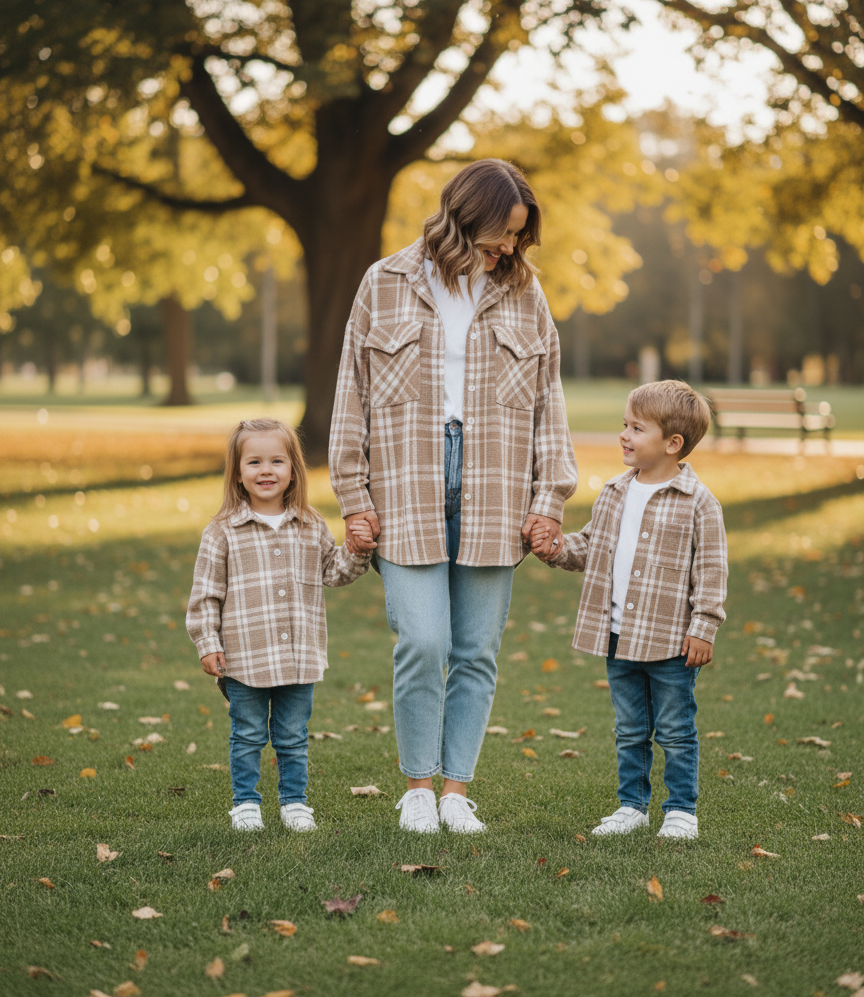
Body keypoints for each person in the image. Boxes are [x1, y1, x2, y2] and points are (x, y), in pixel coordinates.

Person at [330, 159, 578, 834]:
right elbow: (351, 392)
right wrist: (352, 493)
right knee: (422, 638)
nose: (511, 247)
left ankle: (455, 792)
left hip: (497, 484)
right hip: (406, 481)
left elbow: (548, 403)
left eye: (520, 236)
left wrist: (549, 497)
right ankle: (416, 788)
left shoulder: (526, 293)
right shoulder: (383, 283)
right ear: (466, 214)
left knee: (475, 649)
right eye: (505, 231)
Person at [531, 380, 727, 839]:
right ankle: (632, 806)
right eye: (625, 425)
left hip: (670, 641)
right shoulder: (615, 492)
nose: (624, 435)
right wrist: (557, 547)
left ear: (672, 443)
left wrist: (704, 627)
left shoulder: (699, 503)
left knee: (676, 729)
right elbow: (590, 547)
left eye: (637, 428)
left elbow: (712, 571)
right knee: (629, 729)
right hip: (618, 637)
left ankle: (680, 811)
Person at [186, 418, 374, 831]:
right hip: (244, 656)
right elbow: (205, 596)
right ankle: (246, 804)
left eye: (276, 461)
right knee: (248, 734)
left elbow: (334, 571)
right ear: (237, 472)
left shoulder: (311, 526)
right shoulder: (222, 532)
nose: (265, 470)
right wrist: (207, 642)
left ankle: (294, 803)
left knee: (292, 735)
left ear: (293, 469)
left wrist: (357, 550)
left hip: (298, 655)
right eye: (254, 462)